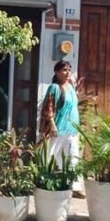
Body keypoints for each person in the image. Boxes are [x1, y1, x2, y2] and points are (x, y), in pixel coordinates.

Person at [40, 59, 84, 195]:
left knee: (73, 156)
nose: (67, 72)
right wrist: (52, 124)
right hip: (58, 129)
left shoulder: (71, 88)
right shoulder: (54, 87)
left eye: (69, 70)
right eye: (64, 70)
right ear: (57, 72)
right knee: (51, 155)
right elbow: (49, 107)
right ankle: (43, 182)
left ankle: (75, 186)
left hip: (72, 129)